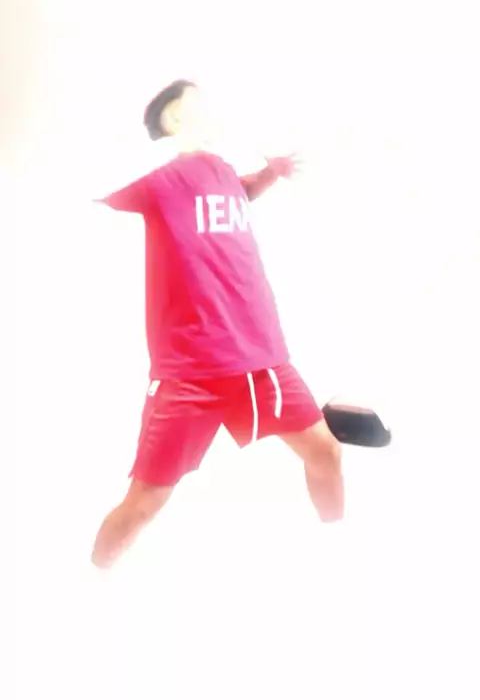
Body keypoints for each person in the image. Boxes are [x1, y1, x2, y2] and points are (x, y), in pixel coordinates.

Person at [91, 80, 343, 569]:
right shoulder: (157, 180)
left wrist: (269, 175)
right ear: (173, 120)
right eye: (196, 105)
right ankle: (93, 577)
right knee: (143, 505)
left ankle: (339, 553)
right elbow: (96, 193)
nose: (210, 111)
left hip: (262, 362)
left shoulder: (221, 169)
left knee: (326, 453)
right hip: (191, 376)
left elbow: (236, 194)